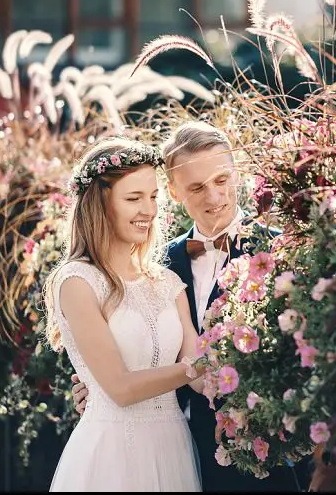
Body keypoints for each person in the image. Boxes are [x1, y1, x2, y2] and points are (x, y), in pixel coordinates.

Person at [72, 122, 307, 492]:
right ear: (173, 192)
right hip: (181, 454)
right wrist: (98, 387)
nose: (214, 197)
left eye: (222, 180)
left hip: (270, 461)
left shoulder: (284, 253)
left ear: (237, 175)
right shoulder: (156, 265)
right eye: (197, 187)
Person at [44, 137, 207, 492]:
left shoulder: (168, 282)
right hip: (111, 453)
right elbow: (119, 388)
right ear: (100, 205)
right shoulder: (77, 282)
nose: (148, 210)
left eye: (153, 197)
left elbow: (199, 369)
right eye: (134, 198)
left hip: (173, 447)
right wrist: (198, 366)